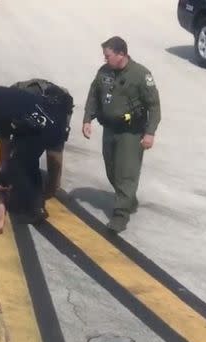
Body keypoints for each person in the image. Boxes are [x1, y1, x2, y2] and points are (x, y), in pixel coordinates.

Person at [83, 36, 161, 233]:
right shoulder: (104, 72)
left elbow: (154, 106)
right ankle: (129, 199)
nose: (105, 59)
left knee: (126, 173)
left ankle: (120, 215)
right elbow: (94, 94)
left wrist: (150, 133)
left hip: (131, 132)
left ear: (121, 54)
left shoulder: (141, 75)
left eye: (108, 56)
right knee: (112, 171)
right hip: (110, 129)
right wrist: (87, 119)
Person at [0, 83, 68, 223]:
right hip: (55, 125)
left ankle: (35, 208)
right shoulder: (6, 92)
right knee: (28, 162)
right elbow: (5, 140)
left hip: (39, 131)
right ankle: (40, 197)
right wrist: (3, 170)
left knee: (20, 167)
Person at [11, 78, 73, 197]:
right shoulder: (17, 95)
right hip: (48, 99)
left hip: (59, 102)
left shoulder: (25, 97)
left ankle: (53, 186)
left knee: (54, 148)